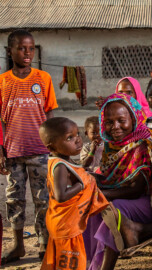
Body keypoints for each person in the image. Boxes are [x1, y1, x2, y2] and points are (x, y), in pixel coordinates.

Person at [86, 93, 152, 270]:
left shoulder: (143, 143)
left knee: (111, 209)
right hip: (124, 197)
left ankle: (104, 267)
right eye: (109, 122)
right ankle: (87, 264)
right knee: (90, 207)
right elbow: (111, 178)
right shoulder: (112, 144)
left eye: (121, 120)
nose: (115, 127)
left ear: (133, 118)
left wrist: (101, 194)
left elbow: (136, 189)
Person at [0, 29, 57, 263]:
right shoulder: (2, 82)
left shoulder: (43, 78)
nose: (27, 52)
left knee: (44, 199)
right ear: (10, 51)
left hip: (40, 151)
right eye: (21, 48)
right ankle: (18, 245)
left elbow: (50, 114)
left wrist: (55, 146)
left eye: (31, 48)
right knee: (14, 199)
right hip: (12, 152)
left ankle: (44, 245)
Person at [39, 117, 110, 270]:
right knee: (70, 263)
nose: (77, 140)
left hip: (65, 223)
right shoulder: (59, 166)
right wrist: (81, 185)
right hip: (66, 226)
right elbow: (61, 195)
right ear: (52, 148)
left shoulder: (65, 161)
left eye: (77, 134)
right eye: (69, 138)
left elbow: (81, 170)